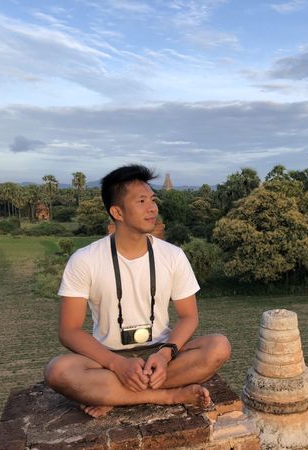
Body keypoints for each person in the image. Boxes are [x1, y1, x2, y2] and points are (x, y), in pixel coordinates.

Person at [44, 164, 231, 418]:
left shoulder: (173, 256)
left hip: (162, 353)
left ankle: (114, 394)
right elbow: (69, 330)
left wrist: (165, 355)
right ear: (117, 212)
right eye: (141, 201)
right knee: (58, 371)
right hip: (107, 358)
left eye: (152, 200)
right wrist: (117, 365)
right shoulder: (85, 260)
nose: (152, 208)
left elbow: (189, 316)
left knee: (219, 346)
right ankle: (168, 395)